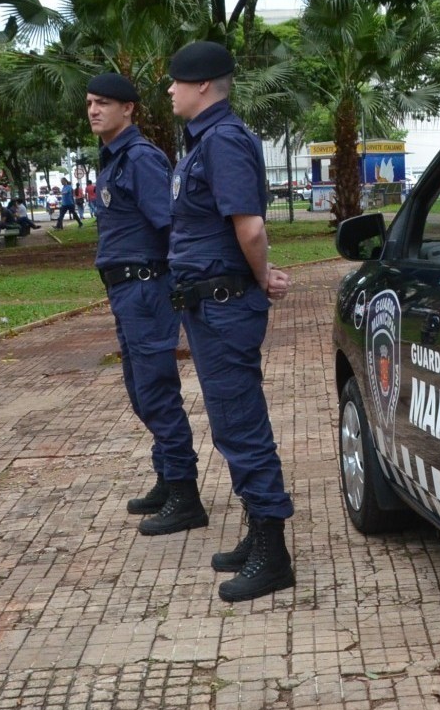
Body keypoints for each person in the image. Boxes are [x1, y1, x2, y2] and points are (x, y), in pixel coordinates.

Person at [164, 40, 296, 603]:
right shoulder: (200, 143)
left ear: (201, 86)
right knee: (229, 423)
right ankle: (255, 533)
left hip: (223, 305)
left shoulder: (222, 142)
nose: (168, 91)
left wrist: (264, 276)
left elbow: (251, 229)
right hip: (206, 303)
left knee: (241, 424)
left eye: (175, 81)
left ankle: (273, 553)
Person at [83, 72, 207, 542]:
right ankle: (167, 476)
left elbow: (171, 226)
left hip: (146, 288)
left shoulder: (140, 159)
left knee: (155, 390)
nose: (95, 110)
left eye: (104, 103)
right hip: (124, 290)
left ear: (128, 108)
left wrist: (175, 285)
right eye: (91, 102)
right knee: (141, 389)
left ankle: (185, 493)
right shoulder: (112, 159)